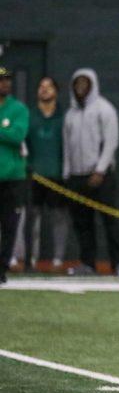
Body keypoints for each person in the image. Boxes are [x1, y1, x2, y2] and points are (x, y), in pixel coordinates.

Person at [62, 68, 119, 276]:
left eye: (85, 83)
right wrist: (67, 173)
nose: (80, 87)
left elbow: (111, 142)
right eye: (77, 83)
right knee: (82, 224)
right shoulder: (70, 114)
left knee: (110, 221)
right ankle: (87, 263)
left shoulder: (105, 109)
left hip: (101, 176)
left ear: (92, 85)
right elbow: (66, 146)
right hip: (76, 177)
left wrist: (100, 170)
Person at [14, 76, 70, 271]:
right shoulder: (29, 115)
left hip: (57, 176)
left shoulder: (64, 116)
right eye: (41, 86)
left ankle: (58, 259)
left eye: (49, 87)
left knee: (59, 217)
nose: (44, 90)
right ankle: (27, 258)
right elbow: (22, 144)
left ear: (56, 91)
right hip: (33, 176)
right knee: (29, 218)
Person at [0, 66, 30, 286]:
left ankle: (2, 268)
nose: (5, 84)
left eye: (7, 80)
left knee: (9, 225)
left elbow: (17, 135)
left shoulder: (18, 109)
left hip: (12, 177)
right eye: (1, 80)